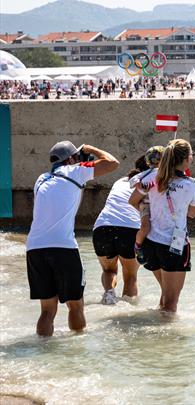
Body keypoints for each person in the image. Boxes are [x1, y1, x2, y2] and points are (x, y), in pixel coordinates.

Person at [26, 141, 119, 336]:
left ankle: (43, 349)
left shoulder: (41, 179)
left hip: (34, 248)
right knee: (75, 306)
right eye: (78, 156)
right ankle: (77, 350)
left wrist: (78, 159)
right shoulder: (75, 171)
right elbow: (112, 163)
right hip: (63, 248)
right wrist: (90, 149)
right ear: (71, 159)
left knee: (47, 310)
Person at [129, 139, 195, 313]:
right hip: (174, 245)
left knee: (165, 296)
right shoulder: (191, 185)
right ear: (187, 159)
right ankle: (167, 339)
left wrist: (148, 213)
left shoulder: (153, 177)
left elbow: (133, 201)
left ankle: (156, 329)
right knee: (171, 303)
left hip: (152, 242)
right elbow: (192, 213)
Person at [92, 155, 149, 305]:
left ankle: (109, 294)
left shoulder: (121, 181)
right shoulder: (149, 183)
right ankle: (127, 311)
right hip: (130, 229)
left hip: (102, 228)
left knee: (109, 270)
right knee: (130, 276)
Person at [132, 146, 164, 258]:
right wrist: (139, 186)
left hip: (156, 203)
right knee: (146, 227)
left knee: (148, 227)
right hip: (145, 203)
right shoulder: (148, 173)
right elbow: (134, 179)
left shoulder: (162, 172)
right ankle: (138, 246)